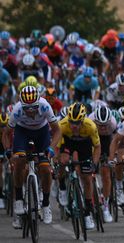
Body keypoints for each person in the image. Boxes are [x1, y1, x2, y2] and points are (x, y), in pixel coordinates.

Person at [2, 86, 62, 227]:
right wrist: (8, 151)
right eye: (26, 108)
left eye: (33, 107)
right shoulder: (17, 110)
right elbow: (6, 134)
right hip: (22, 132)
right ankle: (18, 200)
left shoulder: (45, 106)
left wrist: (51, 149)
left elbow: (57, 130)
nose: (30, 111)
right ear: (21, 104)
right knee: (20, 160)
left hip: (42, 132)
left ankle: (46, 205)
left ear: (38, 102)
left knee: (46, 169)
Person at [56, 102, 101, 230]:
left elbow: (97, 147)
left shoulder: (90, 126)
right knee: (63, 161)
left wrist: (95, 163)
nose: (74, 126)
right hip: (67, 142)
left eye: (77, 123)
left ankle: (87, 212)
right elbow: (57, 147)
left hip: (84, 144)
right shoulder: (62, 125)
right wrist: (57, 160)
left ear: (83, 120)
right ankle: (63, 187)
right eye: (71, 122)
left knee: (87, 179)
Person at [88, 105, 117, 223]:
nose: (104, 128)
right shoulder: (90, 121)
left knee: (105, 172)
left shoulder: (113, 124)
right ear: (96, 122)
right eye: (101, 125)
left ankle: (105, 205)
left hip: (106, 141)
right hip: (92, 139)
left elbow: (115, 142)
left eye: (105, 125)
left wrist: (112, 157)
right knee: (89, 172)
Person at [0, 112, 9, 209]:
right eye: (1, 126)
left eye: (5, 126)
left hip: (9, 145)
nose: (3, 129)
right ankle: (0, 195)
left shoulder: (11, 130)